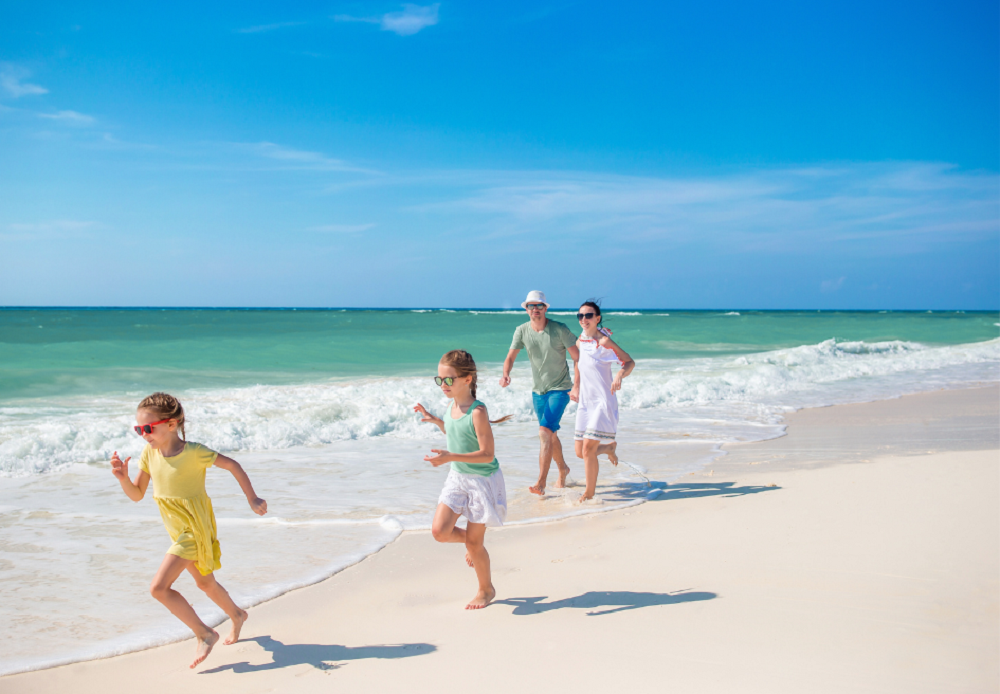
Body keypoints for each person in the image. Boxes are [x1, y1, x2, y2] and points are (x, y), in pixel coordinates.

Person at [110, 392, 267, 669]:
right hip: (177, 530)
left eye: (148, 428)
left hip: (194, 529)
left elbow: (233, 465)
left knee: (159, 588)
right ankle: (237, 615)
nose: (143, 434)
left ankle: (205, 633)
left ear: (171, 424)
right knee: (205, 583)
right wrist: (123, 478)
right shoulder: (149, 454)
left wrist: (252, 498)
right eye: (138, 429)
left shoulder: (193, 452)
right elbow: (136, 495)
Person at [414, 350, 511, 609]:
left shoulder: (478, 412)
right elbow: (454, 429)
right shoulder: (451, 406)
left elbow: (487, 453)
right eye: (440, 380)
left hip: (482, 481)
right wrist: (436, 420)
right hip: (458, 477)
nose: (443, 385)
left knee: (475, 542)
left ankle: (485, 589)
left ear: (467, 379)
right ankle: (470, 542)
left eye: (449, 380)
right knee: (440, 531)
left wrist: (450, 456)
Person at [500, 290, 580, 495]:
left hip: (560, 388)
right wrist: (506, 373)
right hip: (538, 391)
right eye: (531, 306)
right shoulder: (521, 331)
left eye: (539, 306)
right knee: (549, 434)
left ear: (546, 308)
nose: (535, 309)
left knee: (544, 432)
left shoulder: (560, 329)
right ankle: (563, 469)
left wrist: (578, 386)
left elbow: (578, 357)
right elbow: (510, 356)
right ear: (526, 309)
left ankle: (541, 483)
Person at [573, 301, 635, 502]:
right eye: (580, 316)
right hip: (585, 402)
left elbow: (629, 361)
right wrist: (576, 386)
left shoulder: (604, 343)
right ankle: (608, 448)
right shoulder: (580, 341)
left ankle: (589, 493)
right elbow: (577, 363)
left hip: (602, 401)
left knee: (588, 449)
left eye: (588, 315)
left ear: (597, 318)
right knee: (580, 452)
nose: (584, 319)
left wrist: (619, 375)